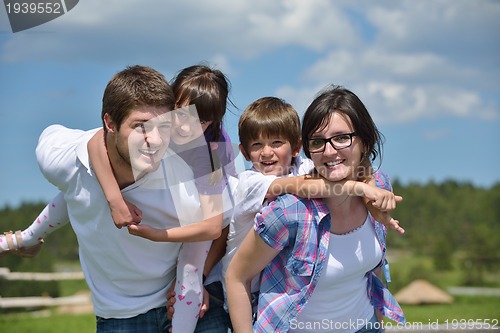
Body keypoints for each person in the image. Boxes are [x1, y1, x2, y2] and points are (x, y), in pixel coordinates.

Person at [0, 64, 236, 332]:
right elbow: (91, 148)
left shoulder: (211, 151)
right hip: (121, 312)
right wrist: (115, 200)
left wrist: (158, 235)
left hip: (197, 247)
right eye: (180, 115)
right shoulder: (72, 157)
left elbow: (218, 225)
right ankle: (28, 236)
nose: (188, 127)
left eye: (203, 121)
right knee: (81, 186)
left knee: (190, 273)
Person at [226, 86, 406, 333]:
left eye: (342, 138)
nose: (330, 151)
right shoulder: (288, 211)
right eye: (319, 142)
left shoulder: (379, 188)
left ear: (364, 141)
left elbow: (371, 272)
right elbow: (236, 277)